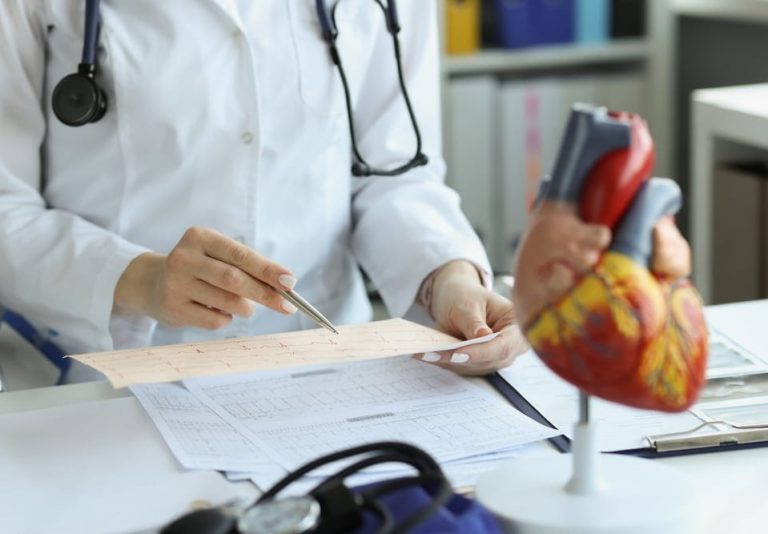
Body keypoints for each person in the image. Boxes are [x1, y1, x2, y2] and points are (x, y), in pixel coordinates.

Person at [2, 0, 591, 383]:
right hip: (103, 374)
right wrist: (139, 279)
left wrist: (449, 278)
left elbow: (393, 172)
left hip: (324, 365)